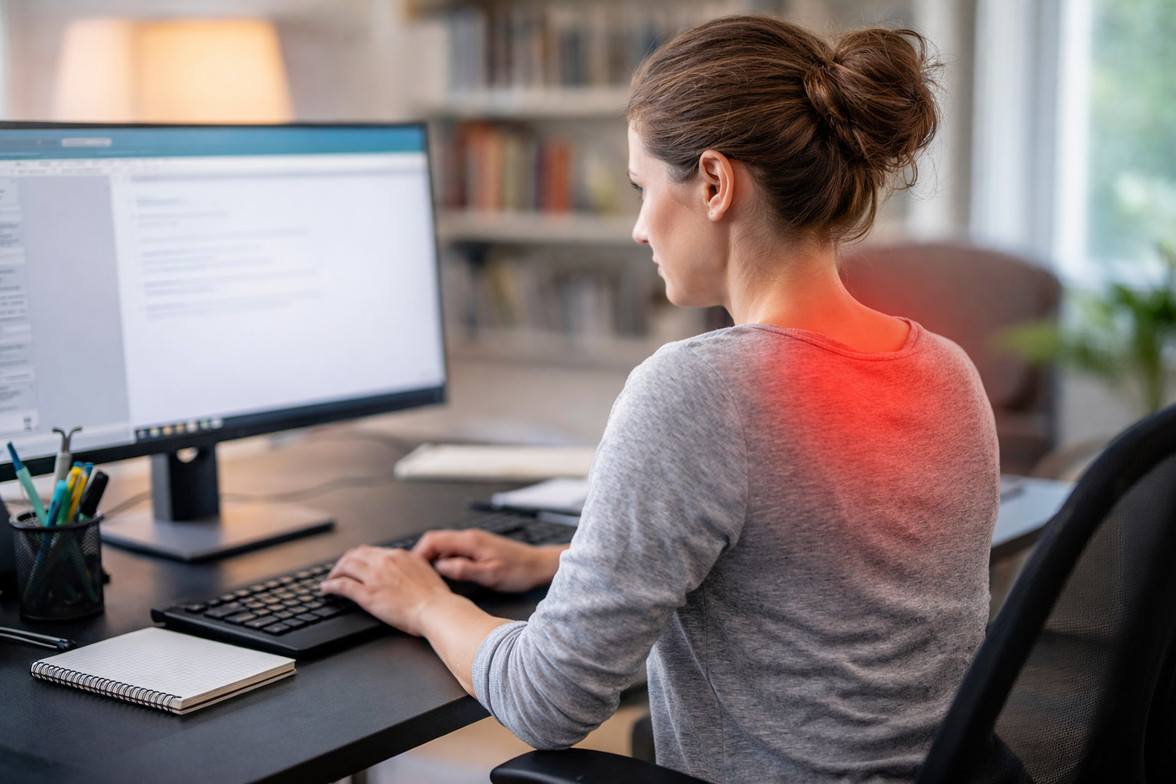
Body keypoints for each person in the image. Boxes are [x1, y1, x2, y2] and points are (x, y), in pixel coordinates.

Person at [322, 14, 999, 783]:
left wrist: (424, 604)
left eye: (644, 189)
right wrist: (562, 563)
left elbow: (546, 701)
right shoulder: (946, 369)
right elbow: (817, 573)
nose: (641, 229)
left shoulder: (696, 390)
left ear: (714, 183)